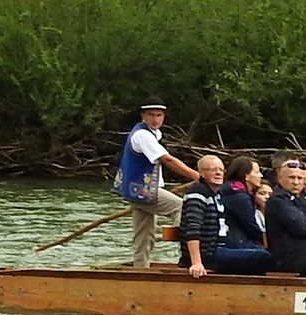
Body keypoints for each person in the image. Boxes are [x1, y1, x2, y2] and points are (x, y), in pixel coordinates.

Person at [113, 99, 201, 267]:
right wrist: (196, 176)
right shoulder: (143, 135)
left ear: (163, 117)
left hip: (136, 189)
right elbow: (167, 159)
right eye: (151, 115)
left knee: (143, 236)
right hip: (141, 190)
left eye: (159, 115)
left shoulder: (152, 133)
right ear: (143, 116)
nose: (155, 119)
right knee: (182, 207)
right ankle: (188, 252)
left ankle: (140, 271)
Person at [177, 156, 275, 277]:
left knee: (262, 254)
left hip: (219, 247)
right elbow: (192, 228)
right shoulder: (198, 193)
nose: (218, 173)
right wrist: (196, 262)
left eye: (221, 170)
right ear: (201, 172)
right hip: (207, 254)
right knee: (264, 257)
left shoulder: (217, 195)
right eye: (212, 170)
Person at [221, 156, 266, 249]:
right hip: (237, 242)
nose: (261, 175)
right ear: (246, 176)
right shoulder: (240, 197)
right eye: (257, 172)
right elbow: (251, 227)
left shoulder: (231, 191)